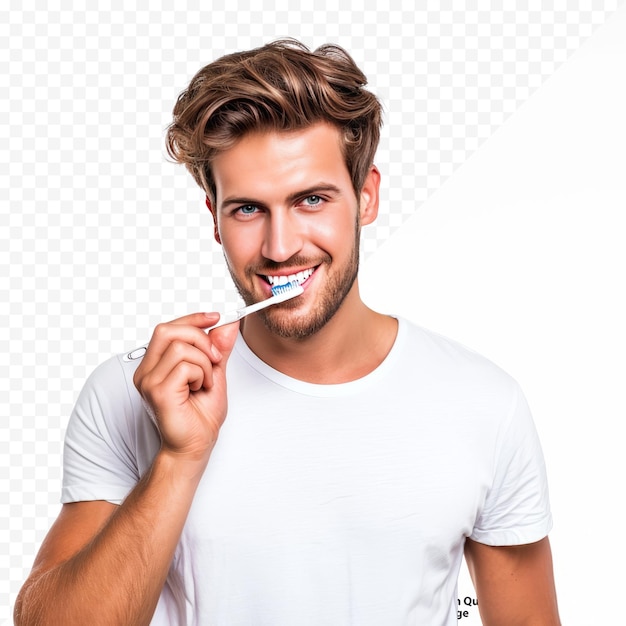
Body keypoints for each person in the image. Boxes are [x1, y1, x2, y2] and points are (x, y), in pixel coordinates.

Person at [14, 39, 560, 625]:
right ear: (215, 219)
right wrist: (179, 457)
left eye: (311, 200)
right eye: (248, 209)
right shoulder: (131, 390)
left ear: (366, 196)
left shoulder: (484, 404)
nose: (280, 248)